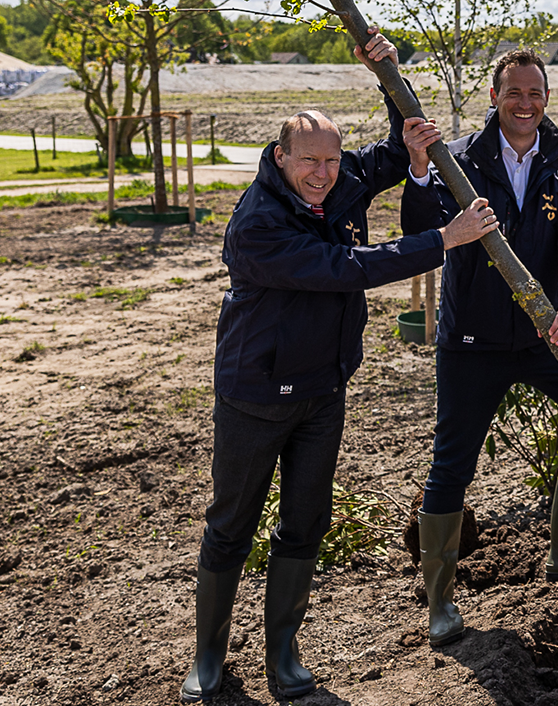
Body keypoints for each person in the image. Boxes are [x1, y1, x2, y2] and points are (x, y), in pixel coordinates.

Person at [190, 109, 497, 701]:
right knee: (231, 524)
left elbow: (392, 150)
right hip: (255, 394)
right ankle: (209, 657)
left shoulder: (341, 179)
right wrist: (443, 239)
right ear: (280, 156)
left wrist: (387, 74)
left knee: (305, 522)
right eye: (309, 160)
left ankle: (283, 652)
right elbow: (346, 267)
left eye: (331, 160)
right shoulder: (258, 223)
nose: (322, 174)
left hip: (323, 392)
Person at [362, 35, 558, 648]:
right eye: (514, 93)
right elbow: (420, 231)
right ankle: (439, 601)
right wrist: (420, 169)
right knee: (452, 462)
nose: (525, 103)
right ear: (493, 96)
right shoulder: (460, 158)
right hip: (472, 339)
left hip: (541, 333)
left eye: (535, 93)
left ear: (547, 97)